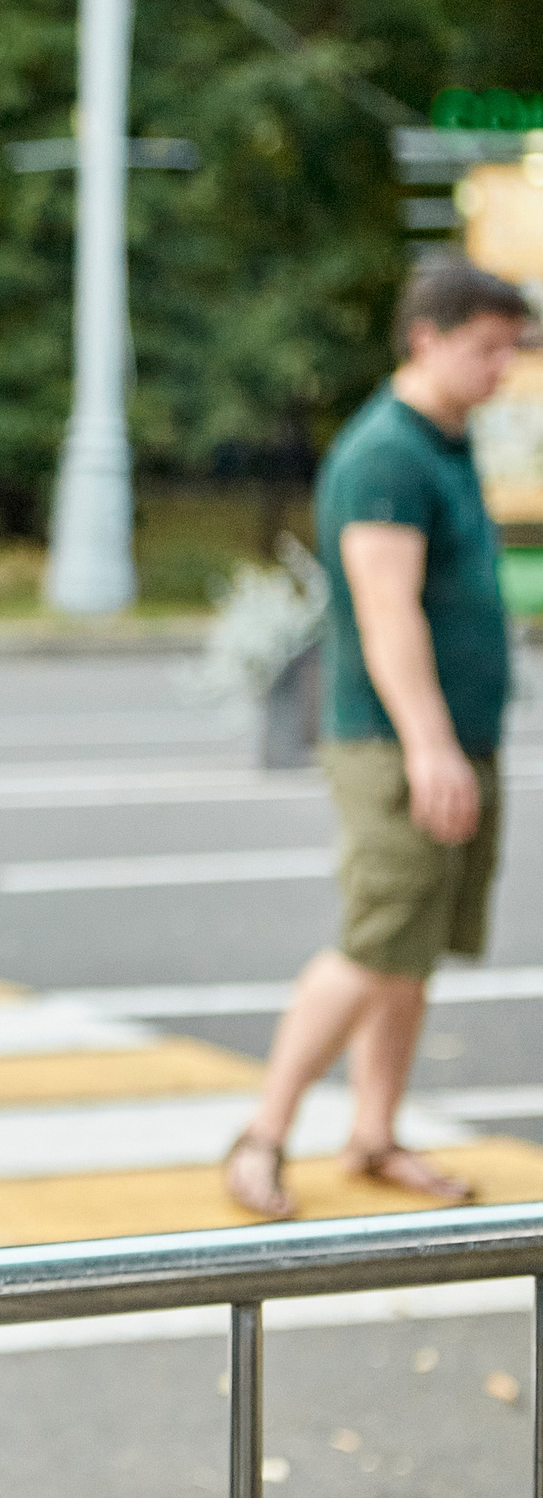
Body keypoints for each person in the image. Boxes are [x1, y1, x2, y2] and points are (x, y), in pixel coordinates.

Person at [225, 258, 530, 1219]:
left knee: (411, 948)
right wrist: (432, 746)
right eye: (486, 348)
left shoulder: (445, 439)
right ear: (425, 338)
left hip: (450, 736)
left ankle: (374, 1133)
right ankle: (262, 1134)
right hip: (398, 743)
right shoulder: (387, 455)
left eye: (512, 348)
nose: (503, 367)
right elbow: (385, 610)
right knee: (373, 940)